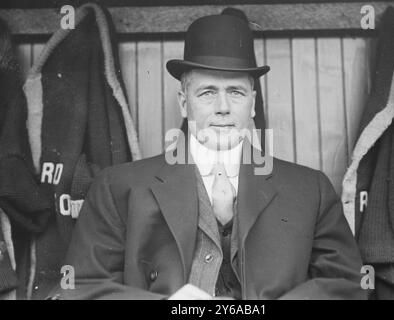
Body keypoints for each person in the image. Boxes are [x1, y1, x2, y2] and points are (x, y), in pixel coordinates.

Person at [50, 14, 366, 300]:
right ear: (184, 103)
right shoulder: (117, 186)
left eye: (236, 92)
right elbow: (83, 286)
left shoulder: (310, 189)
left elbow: (348, 282)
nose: (223, 107)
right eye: (207, 92)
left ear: (253, 103)